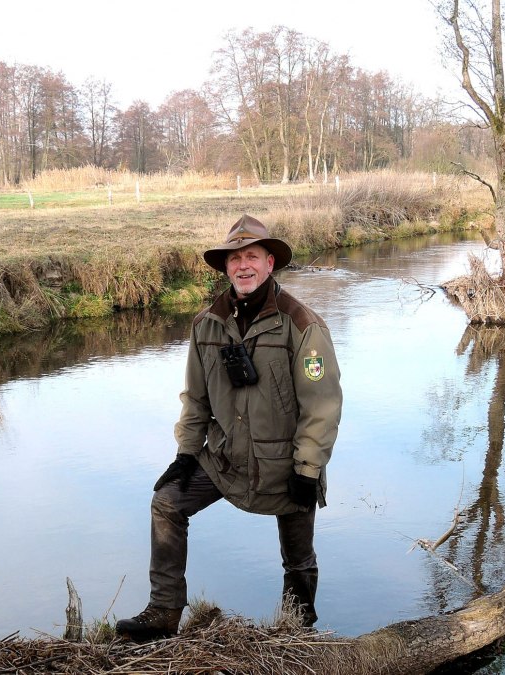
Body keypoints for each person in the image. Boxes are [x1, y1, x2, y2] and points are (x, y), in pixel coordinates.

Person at [115, 214, 343, 641]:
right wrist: (186, 453)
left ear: (270, 263)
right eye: (234, 259)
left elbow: (323, 406)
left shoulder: (303, 325)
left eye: (252, 256)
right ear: (226, 268)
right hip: (225, 458)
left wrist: (307, 470)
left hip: (285, 465)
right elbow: (195, 398)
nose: (243, 266)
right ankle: (164, 612)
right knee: (166, 502)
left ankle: (298, 633)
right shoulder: (206, 325)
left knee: (297, 557)